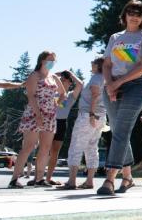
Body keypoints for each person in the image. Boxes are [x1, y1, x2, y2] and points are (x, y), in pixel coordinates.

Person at [97, 0, 142, 195]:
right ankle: (128, 177)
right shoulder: (115, 37)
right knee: (118, 132)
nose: (134, 16)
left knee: (121, 131)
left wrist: (117, 83)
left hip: (135, 87)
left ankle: (109, 180)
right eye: (130, 12)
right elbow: (106, 64)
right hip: (112, 86)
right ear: (124, 15)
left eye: (138, 13)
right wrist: (110, 85)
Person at [8, 51, 66, 188]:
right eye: (49, 59)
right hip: (34, 113)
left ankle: (39, 178)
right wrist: (38, 115)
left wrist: (56, 103)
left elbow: (63, 93)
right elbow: (31, 96)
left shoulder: (53, 77)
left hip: (50, 114)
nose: (52, 62)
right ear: (41, 60)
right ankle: (14, 179)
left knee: (45, 147)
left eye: (54, 60)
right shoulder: (34, 75)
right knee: (29, 146)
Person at [60, 57, 107, 190]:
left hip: (88, 115)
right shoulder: (104, 78)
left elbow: (95, 95)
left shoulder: (96, 78)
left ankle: (72, 181)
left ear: (98, 65)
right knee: (92, 148)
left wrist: (91, 114)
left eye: (93, 62)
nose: (91, 64)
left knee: (76, 146)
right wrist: (71, 74)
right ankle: (89, 181)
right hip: (100, 116)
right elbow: (83, 85)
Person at [45, 70, 83, 185]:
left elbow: (80, 85)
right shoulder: (52, 91)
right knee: (44, 150)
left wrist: (70, 73)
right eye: (61, 79)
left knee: (54, 152)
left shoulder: (71, 96)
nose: (62, 81)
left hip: (61, 123)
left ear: (70, 83)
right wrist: (59, 73)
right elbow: (47, 76)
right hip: (49, 121)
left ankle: (48, 178)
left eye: (65, 80)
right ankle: (38, 177)